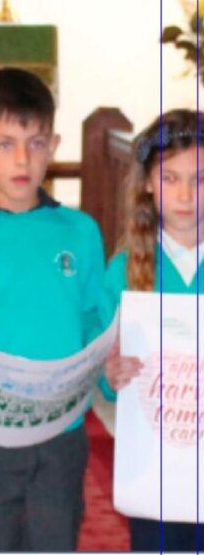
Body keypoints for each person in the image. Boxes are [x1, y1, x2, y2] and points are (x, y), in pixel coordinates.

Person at [0, 67, 105, 551]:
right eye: (5, 144)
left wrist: (106, 360)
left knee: (54, 540)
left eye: (36, 143)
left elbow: (95, 320)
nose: (23, 159)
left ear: (54, 146)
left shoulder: (81, 232)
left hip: (63, 432)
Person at [101, 109, 204, 552]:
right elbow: (101, 372)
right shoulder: (123, 271)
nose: (185, 195)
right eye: (170, 178)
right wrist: (111, 374)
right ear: (147, 183)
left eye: (200, 180)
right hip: (155, 468)